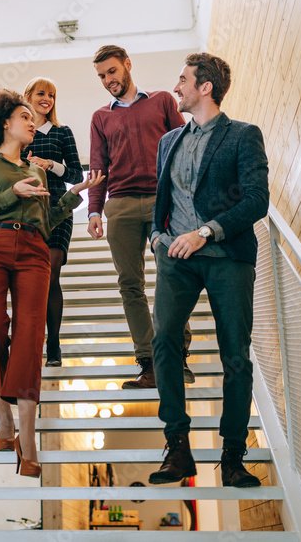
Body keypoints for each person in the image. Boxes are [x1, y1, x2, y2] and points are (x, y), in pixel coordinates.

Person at [0, 89, 103, 479]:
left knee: (30, 337)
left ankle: (28, 438)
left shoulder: (37, 171)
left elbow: (46, 220)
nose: (31, 122)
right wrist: (12, 193)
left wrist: (72, 197)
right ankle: (4, 420)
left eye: (32, 117)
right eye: (24, 116)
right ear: (4, 123)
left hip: (34, 250)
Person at [146, 53, 269, 488]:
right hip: (175, 260)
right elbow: (158, 202)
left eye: (183, 80)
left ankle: (233, 455)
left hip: (227, 257)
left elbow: (256, 200)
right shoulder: (168, 142)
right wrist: (157, 239)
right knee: (163, 341)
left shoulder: (242, 136)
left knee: (234, 352)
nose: (175, 87)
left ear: (205, 88)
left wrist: (206, 232)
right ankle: (177, 447)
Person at [87, 45, 192, 388]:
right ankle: (148, 363)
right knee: (130, 285)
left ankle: (175, 358)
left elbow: (184, 148)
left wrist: (187, 196)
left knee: (173, 277)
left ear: (128, 65)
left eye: (112, 72)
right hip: (120, 205)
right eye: (102, 76)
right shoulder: (101, 117)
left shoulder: (161, 100)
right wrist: (93, 210)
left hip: (165, 201)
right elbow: (99, 167)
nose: (108, 80)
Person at [20, 77, 84, 367]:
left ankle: (54, 343)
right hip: (27, 211)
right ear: (29, 97)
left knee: (51, 274)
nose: (47, 99)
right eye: (41, 93)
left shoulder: (62, 132)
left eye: (52, 95)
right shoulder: (21, 132)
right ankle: (33, 339)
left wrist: (51, 165)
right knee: (32, 280)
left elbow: (75, 175)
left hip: (59, 208)